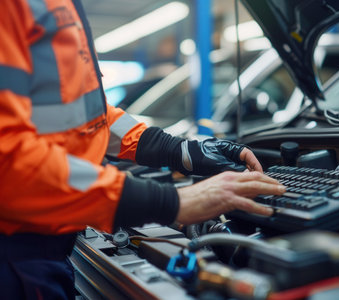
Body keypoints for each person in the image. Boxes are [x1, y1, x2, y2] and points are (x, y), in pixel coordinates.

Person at [0, 0, 285, 298]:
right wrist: (168, 202)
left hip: (44, 244)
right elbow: (9, 162)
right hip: (14, 254)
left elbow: (88, 116)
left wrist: (176, 149)